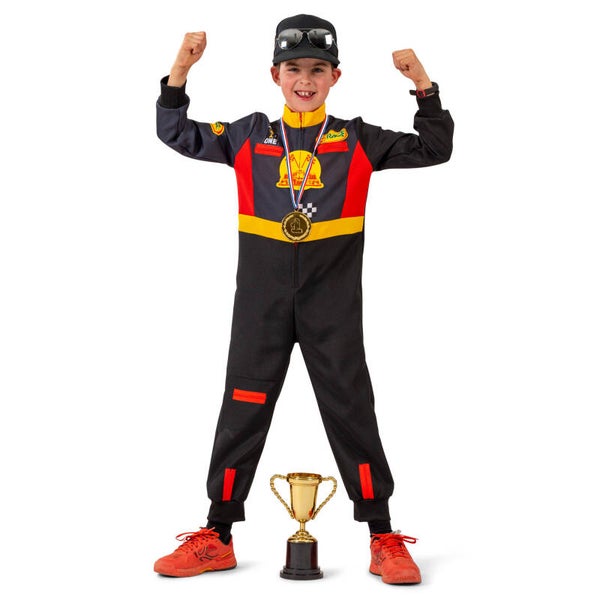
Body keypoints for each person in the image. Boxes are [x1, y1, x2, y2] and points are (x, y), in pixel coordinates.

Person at [154, 14, 453, 585]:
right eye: (294, 69)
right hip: (260, 307)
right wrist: (180, 71)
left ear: (336, 76)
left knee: (351, 410)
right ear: (276, 75)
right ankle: (218, 534)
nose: (306, 80)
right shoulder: (248, 135)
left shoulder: (357, 139)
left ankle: (382, 536)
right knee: (241, 410)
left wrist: (422, 84)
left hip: (331, 308)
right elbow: (176, 132)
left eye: (318, 69)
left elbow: (436, 148)